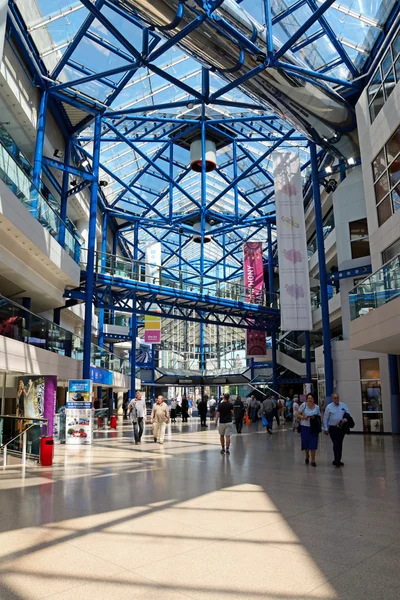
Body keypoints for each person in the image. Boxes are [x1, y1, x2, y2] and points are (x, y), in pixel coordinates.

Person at [323, 392, 350, 467]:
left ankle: (338, 459)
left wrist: (345, 420)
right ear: (332, 399)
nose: (336, 399)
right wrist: (326, 428)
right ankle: (336, 459)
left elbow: (347, 414)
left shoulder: (343, 405)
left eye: (337, 397)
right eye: (334, 398)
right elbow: (325, 418)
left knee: (340, 443)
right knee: (336, 443)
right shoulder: (329, 407)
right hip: (333, 428)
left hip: (341, 427)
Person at [298, 394, 321, 467]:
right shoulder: (303, 405)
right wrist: (303, 417)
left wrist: (315, 417)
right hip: (305, 427)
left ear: (313, 399)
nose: (309, 399)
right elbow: (298, 414)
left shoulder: (317, 407)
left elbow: (319, 416)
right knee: (306, 443)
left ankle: (313, 460)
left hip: (313, 427)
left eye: (311, 398)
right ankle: (307, 455)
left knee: (313, 443)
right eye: (308, 398)